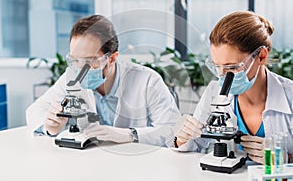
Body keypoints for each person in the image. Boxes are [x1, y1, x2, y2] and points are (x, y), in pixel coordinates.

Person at [26, 15, 180, 147]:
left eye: (90, 61)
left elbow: (171, 130)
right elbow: (34, 112)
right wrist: (49, 126)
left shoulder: (147, 81)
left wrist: (129, 135)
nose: (81, 69)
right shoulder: (71, 76)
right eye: (75, 60)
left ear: (111, 58)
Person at [168, 11, 293, 164]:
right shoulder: (214, 92)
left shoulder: (290, 96)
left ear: (261, 56)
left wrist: (287, 159)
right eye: (217, 67)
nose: (222, 76)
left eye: (231, 67)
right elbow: (194, 146)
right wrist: (182, 138)